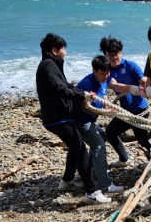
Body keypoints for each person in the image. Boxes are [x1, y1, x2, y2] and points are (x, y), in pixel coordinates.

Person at [35, 33, 111, 204]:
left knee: (75, 147)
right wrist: (82, 96)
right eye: (63, 49)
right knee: (80, 149)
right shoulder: (48, 66)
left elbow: (67, 86)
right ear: (55, 50)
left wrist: (82, 94)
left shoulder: (52, 65)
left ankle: (67, 181)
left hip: (59, 117)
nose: (66, 53)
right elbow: (60, 89)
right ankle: (92, 192)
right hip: (57, 118)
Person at [72, 55, 124, 194]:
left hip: (90, 121)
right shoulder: (85, 84)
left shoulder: (104, 80)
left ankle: (92, 170)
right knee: (99, 146)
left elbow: (104, 97)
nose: (105, 76)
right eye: (102, 73)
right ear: (94, 71)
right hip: (81, 122)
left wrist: (109, 108)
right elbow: (86, 107)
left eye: (107, 73)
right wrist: (104, 113)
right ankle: (105, 185)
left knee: (103, 136)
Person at [101, 36, 151, 167]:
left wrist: (148, 86)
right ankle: (124, 159)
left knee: (142, 140)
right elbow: (114, 85)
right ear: (105, 55)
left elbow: (143, 81)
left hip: (140, 109)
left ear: (121, 52)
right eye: (110, 54)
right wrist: (130, 88)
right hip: (125, 112)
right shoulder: (107, 71)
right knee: (110, 133)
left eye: (116, 53)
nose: (114, 57)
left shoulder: (131, 65)